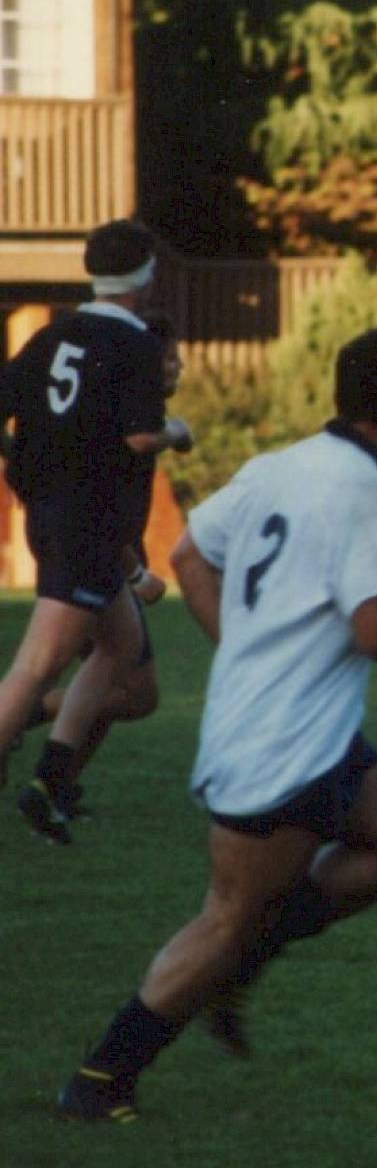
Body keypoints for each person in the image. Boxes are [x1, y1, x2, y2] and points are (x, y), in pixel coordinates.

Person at [56, 327, 377, 1121]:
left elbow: (190, 554)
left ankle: (250, 951)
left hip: (310, 732)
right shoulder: (374, 495)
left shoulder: (281, 466)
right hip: (277, 747)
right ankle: (100, 1077)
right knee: (227, 919)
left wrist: (244, 650)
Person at [0, 220, 191, 845]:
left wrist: (25, 463)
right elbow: (140, 437)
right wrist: (177, 433)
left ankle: (51, 782)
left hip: (65, 521)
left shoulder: (54, 334)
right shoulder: (133, 343)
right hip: (86, 524)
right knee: (37, 665)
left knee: (120, 652)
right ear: (145, 275)